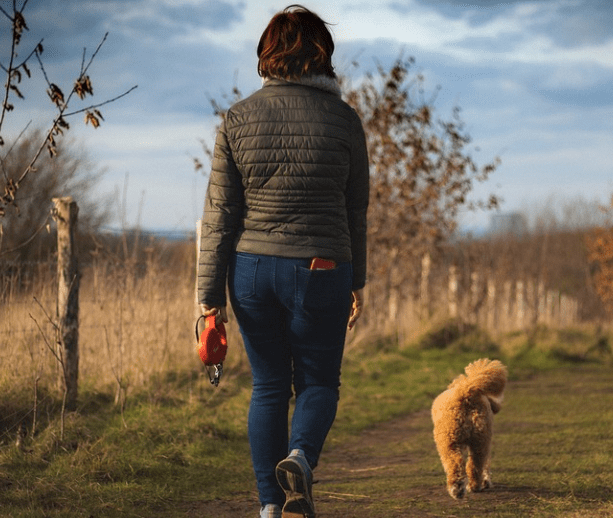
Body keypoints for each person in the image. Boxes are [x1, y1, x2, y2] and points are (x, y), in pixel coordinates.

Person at [196, 5, 369, 518]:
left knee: (268, 386)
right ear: (323, 56)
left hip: (250, 270)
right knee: (317, 382)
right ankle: (299, 459)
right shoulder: (344, 120)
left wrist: (209, 298)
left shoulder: (238, 117)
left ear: (267, 55)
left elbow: (220, 214)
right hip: (321, 268)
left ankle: (271, 507)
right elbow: (354, 208)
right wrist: (358, 279)